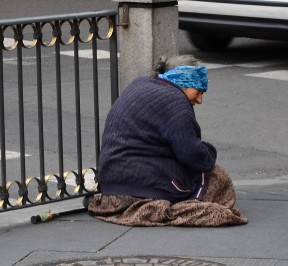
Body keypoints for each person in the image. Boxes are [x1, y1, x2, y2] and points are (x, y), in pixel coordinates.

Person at [89, 55, 247, 227]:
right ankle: (192, 200)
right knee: (216, 176)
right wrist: (210, 152)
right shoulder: (176, 102)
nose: (200, 100)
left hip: (111, 185)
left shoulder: (140, 83)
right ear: (184, 82)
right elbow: (192, 155)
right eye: (198, 91)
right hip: (139, 185)